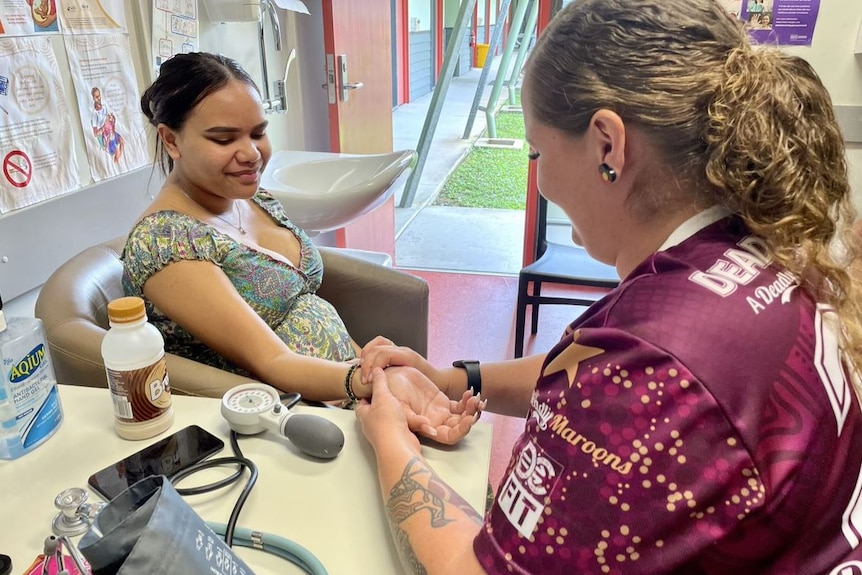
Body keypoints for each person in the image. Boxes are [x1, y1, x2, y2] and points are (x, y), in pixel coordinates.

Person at [354, 0, 862, 573]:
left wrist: (389, 436)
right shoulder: (756, 251)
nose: (539, 177)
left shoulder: (661, 364)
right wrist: (451, 380)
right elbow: (589, 369)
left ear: (607, 146)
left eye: (538, 151)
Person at [123, 52, 405, 404]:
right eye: (224, 139)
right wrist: (373, 382)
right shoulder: (165, 242)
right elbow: (273, 360)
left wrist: (370, 364)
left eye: (258, 133)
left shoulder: (255, 200)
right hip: (286, 420)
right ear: (171, 140)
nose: (252, 154)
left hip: (343, 391)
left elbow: (308, 303)